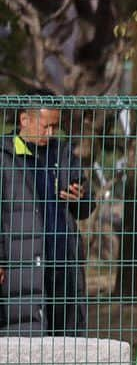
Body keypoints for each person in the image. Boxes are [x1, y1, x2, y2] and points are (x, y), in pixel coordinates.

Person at [0, 104, 96, 336]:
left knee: (65, 342)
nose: (51, 133)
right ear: (24, 120)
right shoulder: (4, 157)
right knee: (23, 338)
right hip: (21, 267)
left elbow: (85, 206)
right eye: (47, 126)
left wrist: (80, 197)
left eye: (55, 126)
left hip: (62, 265)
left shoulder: (62, 153)